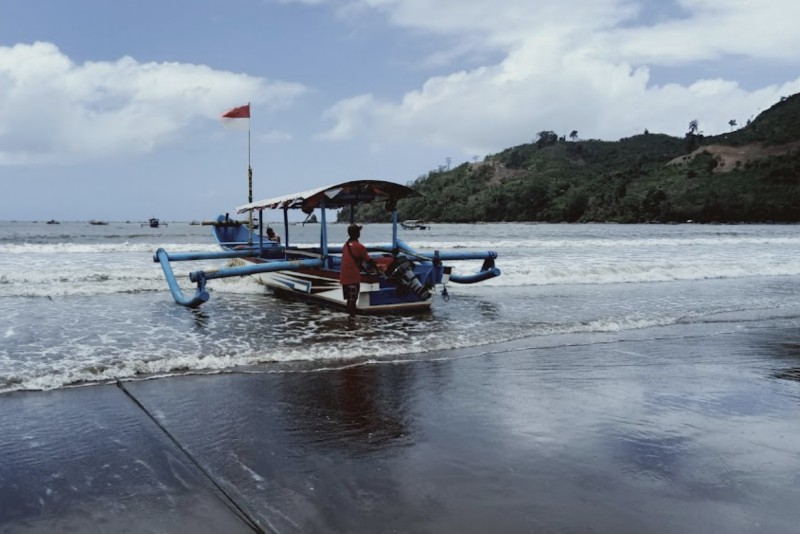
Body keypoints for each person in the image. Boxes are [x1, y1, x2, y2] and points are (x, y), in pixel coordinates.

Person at [340, 223, 374, 316]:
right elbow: (369, 261)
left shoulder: (345, 245)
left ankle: (350, 321)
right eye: (358, 231)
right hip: (353, 277)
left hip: (344, 277)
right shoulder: (360, 247)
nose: (360, 233)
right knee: (353, 301)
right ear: (356, 234)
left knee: (349, 300)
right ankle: (352, 321)